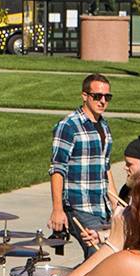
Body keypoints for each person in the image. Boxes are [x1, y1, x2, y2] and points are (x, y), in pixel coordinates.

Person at [48, 73, 115, 257]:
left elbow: (105, 166)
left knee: (115, 253)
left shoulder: (104, 125)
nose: (102, 101)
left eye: (107, 97)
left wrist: (116, 205)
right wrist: (58, 210)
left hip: (102, 207)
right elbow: (57, 168)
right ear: (84, 96)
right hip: (79, 207)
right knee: (100, 257)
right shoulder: (69, 126)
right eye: (97, 96)